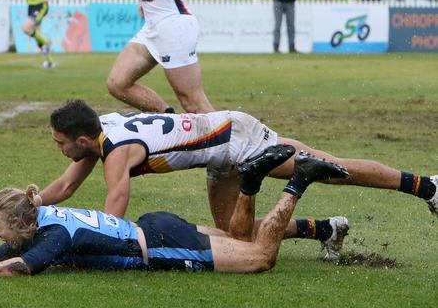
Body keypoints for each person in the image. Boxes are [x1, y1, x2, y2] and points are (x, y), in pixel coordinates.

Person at [39, 100, 438, 253]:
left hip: (236, 137)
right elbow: (66, 186)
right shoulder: (99, 133)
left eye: (61, 144)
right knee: (238, 234)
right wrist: (32, 204)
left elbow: (115, 220)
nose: (60, 150)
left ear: (83, 138)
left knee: (332, 170)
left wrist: (96, 251)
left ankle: (427, 185)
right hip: (219, 155)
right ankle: (326, 230)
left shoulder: (115, 153)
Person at [0, 151, 350, 279]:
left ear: (21, 222)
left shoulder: (52, 240)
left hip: (162, 245)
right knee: (239, 240)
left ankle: (298, 181)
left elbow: (16, 265)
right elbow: (5, 250)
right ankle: (252, 182)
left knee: (259, 257)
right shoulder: (43, 217)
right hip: (154, 223)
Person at [97, 0, 213, 114]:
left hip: (173, 25)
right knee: (118, 83)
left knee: (192, 102)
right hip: (152, 27)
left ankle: (229, 138)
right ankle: (168, 118)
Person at [13, 0, 58, 69]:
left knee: (25, 28)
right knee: (37, 35)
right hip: (31, 6)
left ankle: (47, 43)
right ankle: (49, 62)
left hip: (41, 4)